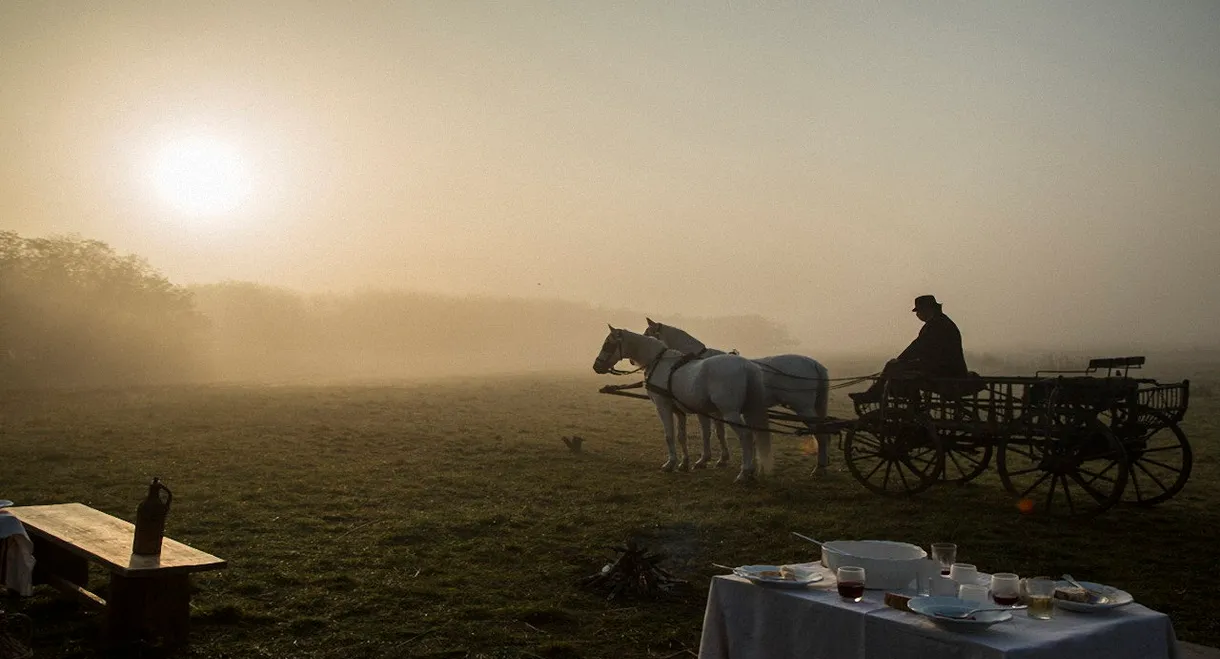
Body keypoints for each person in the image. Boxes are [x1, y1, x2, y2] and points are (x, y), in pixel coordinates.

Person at [850, 295, 968, 403]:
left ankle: (875, 395)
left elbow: (917, 347)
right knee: (899, 366)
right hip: (944, 366)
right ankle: (892, 396)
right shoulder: (940, 322)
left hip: (943, 369)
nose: (917, 315)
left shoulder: (937, 325)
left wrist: (900, 360)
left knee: (892, 366)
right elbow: (920, 347)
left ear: (927, 309)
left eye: (918, 311)